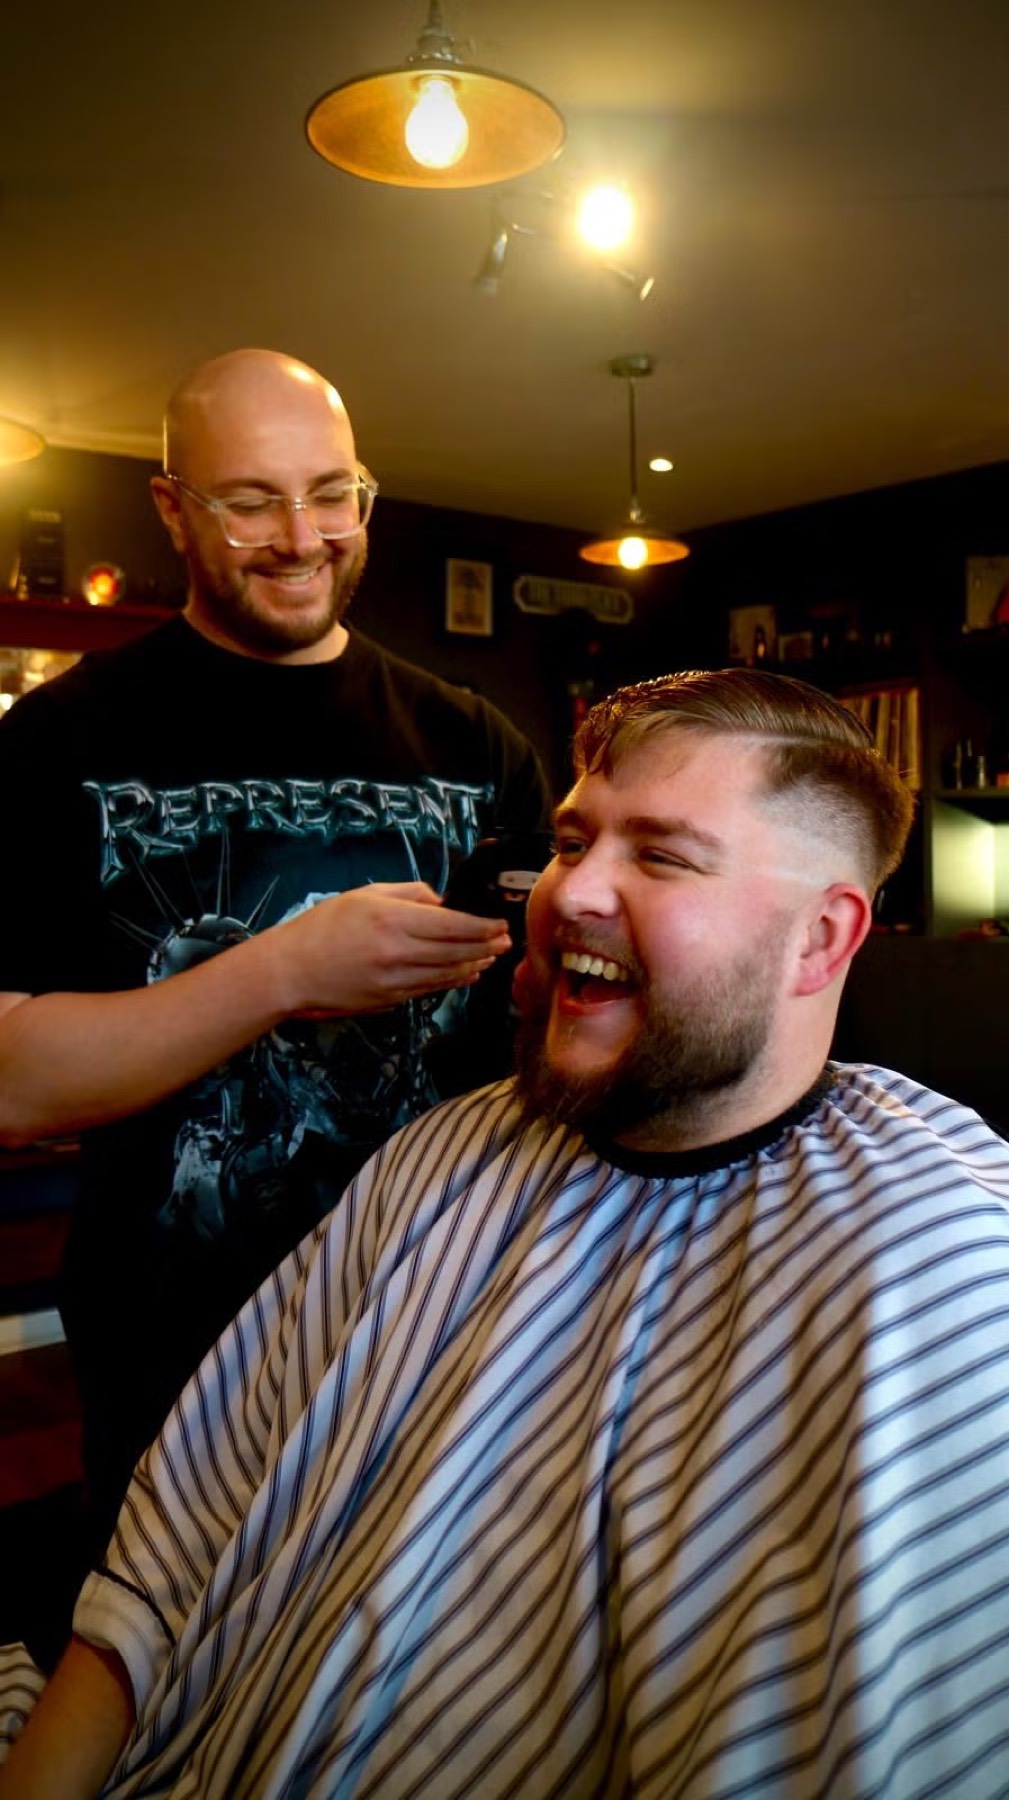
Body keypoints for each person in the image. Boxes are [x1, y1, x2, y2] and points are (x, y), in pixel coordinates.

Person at [5, 665, 1009, 1799]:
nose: (570, 893)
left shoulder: (941, 1265)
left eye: (663, 855)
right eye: (576, 843)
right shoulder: (449, 1153)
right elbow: (158, 1577)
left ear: (823, 940)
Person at [0, 348, 551, 1565]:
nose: (301, 536)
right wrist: (285, 973)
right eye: (249, 500)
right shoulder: (55, 742)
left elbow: (539, 1034)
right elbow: (10, 1082)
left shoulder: (477, 742)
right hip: (175, 1351)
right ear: (171, 510)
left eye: (331, 492)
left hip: (438, 1324)